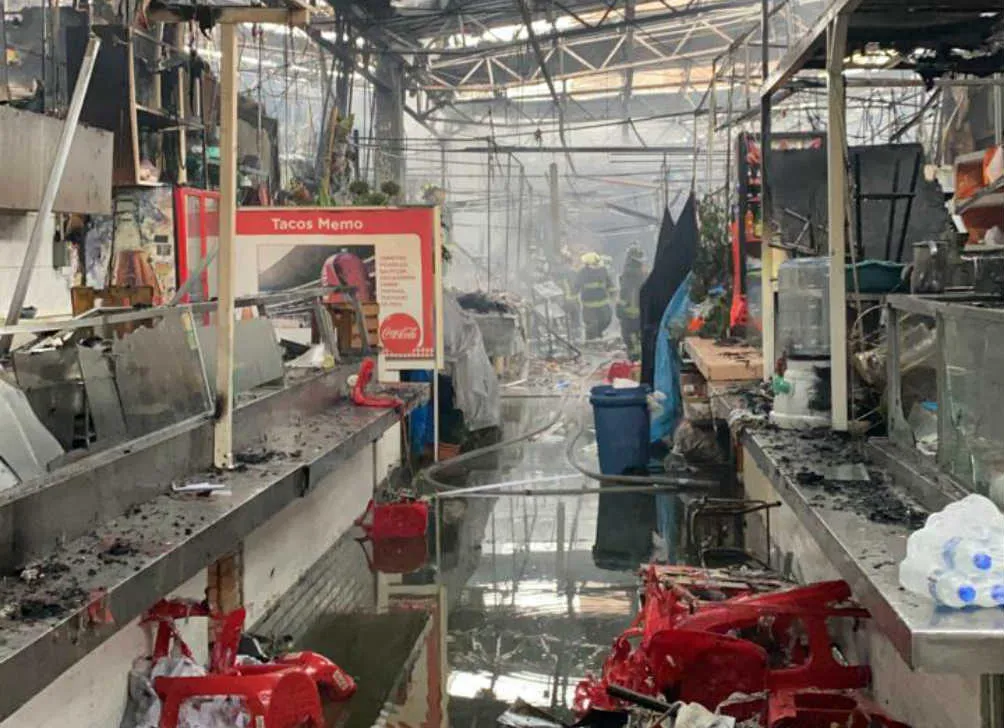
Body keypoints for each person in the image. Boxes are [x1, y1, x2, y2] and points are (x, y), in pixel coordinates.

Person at [575, 252, 615, 340]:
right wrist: (573, 299)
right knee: (591, 325)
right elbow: (576, 286)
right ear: (587, 264)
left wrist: (613, 294)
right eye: (594, 264)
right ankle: (591, 341)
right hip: (589, 306)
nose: (597, 265)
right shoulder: (582, 273)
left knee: (606, 320)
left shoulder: (603, 270)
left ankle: (598, 334)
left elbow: (609, 283)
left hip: (603, 303)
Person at [617, 244, 647, 360]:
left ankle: (635, 359)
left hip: (629, 313)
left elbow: (624, 294)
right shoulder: (643, 273)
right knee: (639, 338)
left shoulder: (628, 274)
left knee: (629, 337)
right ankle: (640, 360)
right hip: (642, 313)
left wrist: (619, 310)